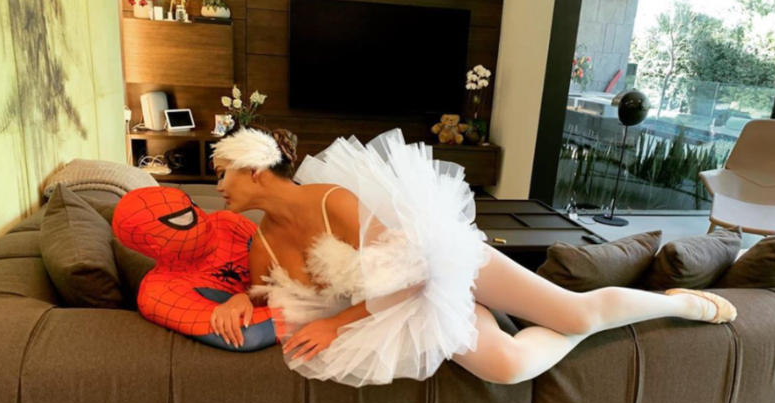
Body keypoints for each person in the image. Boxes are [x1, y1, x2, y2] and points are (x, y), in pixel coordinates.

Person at [209, 126, 738, 388]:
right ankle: (586, 330)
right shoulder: (262, 242)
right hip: (405, 306)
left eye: (222, 173)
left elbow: (415, 274)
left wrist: (335, 325)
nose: (218, 186)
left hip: (443, 264)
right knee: (507, 368)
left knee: (576, 313)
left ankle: (683, 304)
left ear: (254, 171)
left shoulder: (332, 201)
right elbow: (266, 296)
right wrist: (238, 300)